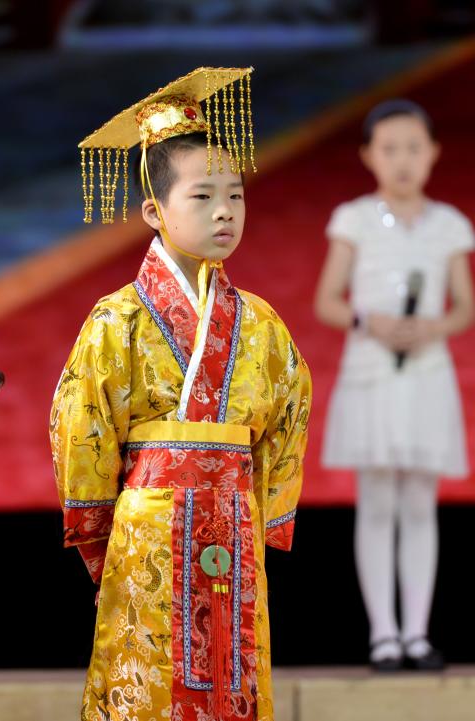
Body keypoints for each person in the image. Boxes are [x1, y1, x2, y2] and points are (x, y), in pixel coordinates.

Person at [51, 67, 311, 721]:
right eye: (202, 196)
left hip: (233, 528)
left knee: (230, 682)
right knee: (148, 688)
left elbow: (289, 419)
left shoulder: (260, 323)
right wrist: (101, 543)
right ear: (154, 212)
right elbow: (81, 428)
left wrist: (262, 516)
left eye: (235, 195)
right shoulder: (117, 319)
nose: (225, 210)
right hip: (146, 537)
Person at [314, 99, 474, 671]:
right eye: (389, 149)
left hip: (426, 371)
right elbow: (328, 301)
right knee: (378, 499)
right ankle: (383, 634)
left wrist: (433, 328)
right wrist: (370, 321)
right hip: (373, 369)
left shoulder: (450, 224)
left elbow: (465, 307)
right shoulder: (353, 219)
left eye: (413, 148)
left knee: (420, 502)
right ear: (368, 156)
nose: (402, 160)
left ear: (432, 154)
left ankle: (417, 635)